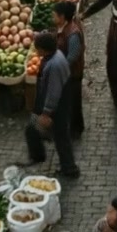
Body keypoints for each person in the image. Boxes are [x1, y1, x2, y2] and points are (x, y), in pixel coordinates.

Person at [27, 31, 79, 178]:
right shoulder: (57, 56)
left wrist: (46, 113)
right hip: (60, 103)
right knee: (38, 129)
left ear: (43, 49)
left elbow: (53, 92)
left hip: (57, 107)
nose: (36, 51)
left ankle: (69, 168)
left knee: (60, 137)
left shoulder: (54, 65)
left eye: (38, 48)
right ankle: (42, 153)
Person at [53, 1, 85, 137]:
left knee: (73, 102)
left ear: (62, 17)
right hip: (67, 73)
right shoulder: (63, 28)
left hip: (72, 74)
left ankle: (75, 129)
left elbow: (73, 55)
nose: (52, 18)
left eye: (54, 15)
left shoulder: (72, 33)